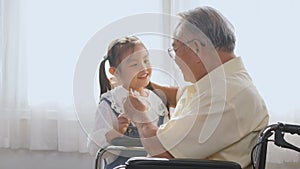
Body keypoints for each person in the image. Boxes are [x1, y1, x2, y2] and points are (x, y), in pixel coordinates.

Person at [123, 6, 269, 169]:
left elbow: (162, 151)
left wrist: (140, 117)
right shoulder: (224, 83)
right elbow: (180, 96)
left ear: (196, 48)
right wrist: (144, 84)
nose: (175, 59)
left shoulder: (225, 95)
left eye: (175, 50)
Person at [87, 36, 169, 169]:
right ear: (115, 72)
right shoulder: (111, 102)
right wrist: (116, 131)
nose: (143, 67)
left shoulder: (156, 101)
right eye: (134, 64)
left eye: (146, 60)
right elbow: (92, 147)